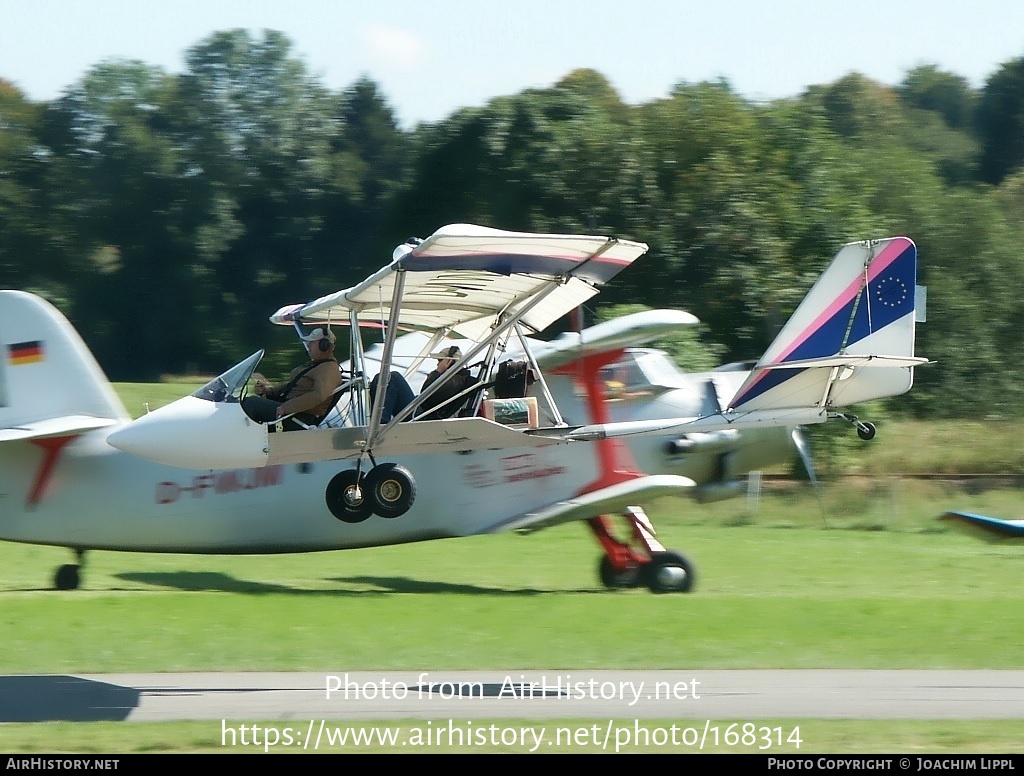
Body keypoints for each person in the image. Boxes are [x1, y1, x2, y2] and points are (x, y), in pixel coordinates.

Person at [242, 327, 342, 430]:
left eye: (312, 343)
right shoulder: (315, 365)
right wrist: (268, 391)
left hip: (298, 418)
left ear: (324, 345)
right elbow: (291, 386)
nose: (308, 346)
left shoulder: (329, 369)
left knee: (251, 404)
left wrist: (286, 407)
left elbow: (318, 395)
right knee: (242, 404)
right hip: (289, 412)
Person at [419, 345, 475, 420]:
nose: (438, 364)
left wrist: (438, 371)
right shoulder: (453, 380)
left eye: (440, 360)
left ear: (449, 362)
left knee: (397, 377)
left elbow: (424, 393)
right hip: (422, 412)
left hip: (423, 415)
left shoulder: (454, 382)